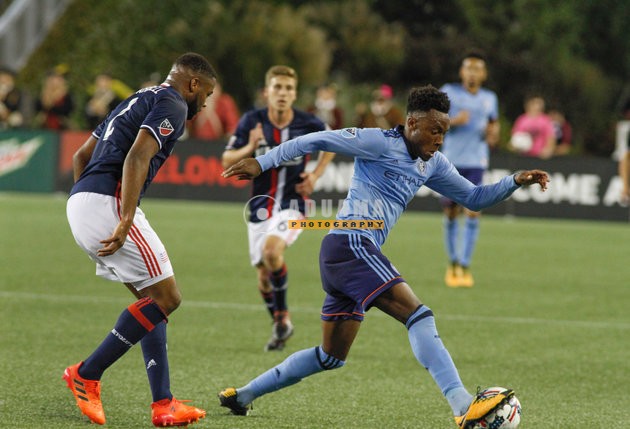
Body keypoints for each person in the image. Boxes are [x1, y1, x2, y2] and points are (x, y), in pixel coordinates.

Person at [218, 85, 549, 428]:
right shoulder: (377, 141)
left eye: (444, 132)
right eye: (435, 131)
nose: (440, 140)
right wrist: (262, 162)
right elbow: (315, 140)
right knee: (419, 316)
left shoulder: (433, 163)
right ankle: (462, 404)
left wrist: (515, 180)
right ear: (412, 123)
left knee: (330, 356)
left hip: (345, 255)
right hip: (351, 244)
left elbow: (474, 198)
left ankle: (243, 395)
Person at [63, 52, 217, 427]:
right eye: (207, 94)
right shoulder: (174, 103)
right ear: (193, 83)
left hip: (81, 203)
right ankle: (86, 373)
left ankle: (163, 404)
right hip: (109, 205)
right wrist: (124, 218)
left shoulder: (137, 97)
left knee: (152, 304)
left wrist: (87, 205)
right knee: (167, 298)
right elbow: (137, 156)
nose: (204, 104)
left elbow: (81, 155)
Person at [222, 65, 335, 352]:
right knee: (263, 276)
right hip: (260, 206)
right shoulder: (252, 121)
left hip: (293, 204)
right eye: (277, 87)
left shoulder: (308, 123)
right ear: (267, 92)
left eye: (288, 88)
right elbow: (227, 160)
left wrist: (315, 175)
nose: (282, 93)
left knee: (271, 252)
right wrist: (249, 146)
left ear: (294, 94)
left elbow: (332, 143)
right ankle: (280, 325)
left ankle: (282, 315)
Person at [439, 50, 499, 288]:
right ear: (461, 72)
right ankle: (452, 262)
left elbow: (494, 125)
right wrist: (454, 121)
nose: (472, 73)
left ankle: (465, 265)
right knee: (451, 212)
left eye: (477, 69)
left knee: (473, 211)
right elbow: (433, 121)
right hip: (451, 161)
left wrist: (492, 135)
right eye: (469, 68)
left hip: (476, 161)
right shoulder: (449, 92)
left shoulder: (490, 98)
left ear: (484, 74)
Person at [509, 95, 555, 159]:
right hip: (523, 156)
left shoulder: (545, 120)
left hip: (540, 156)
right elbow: (515, 137)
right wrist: (514, 146)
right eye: (535, 103)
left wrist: (548, 149)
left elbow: (550, 137)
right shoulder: (521, 120)